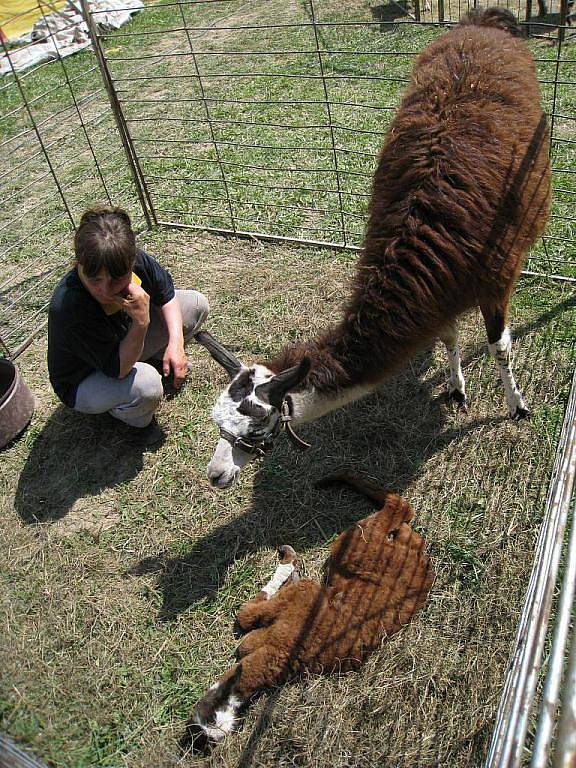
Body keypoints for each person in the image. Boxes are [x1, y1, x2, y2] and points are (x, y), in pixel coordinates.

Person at [47, 206, 209, 446]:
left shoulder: (131, 259)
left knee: (195, 304)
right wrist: (141, 321)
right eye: (95, 280)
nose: (105, 290)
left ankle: (153, 359)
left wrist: (176, 344)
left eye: (117, 279)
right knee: (147, 385)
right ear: (79, 264)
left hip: (120, 344)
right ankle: (132, 418)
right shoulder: (69, 307)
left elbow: (167, 295)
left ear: (131, 261)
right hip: (86, 377)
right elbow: (118, 369)